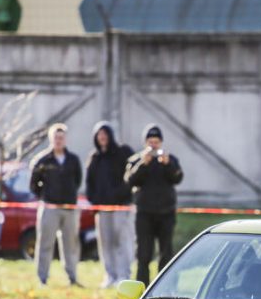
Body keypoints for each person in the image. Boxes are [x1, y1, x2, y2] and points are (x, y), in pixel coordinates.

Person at [124, 124, 183, 285]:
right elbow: (130, 181)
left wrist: (168, 164)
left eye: (156, 142)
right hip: (145, 214)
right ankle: (141, 286)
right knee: (143, 253)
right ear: (145, 143)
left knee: (166, 252)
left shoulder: (170, 159)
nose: (153, 145)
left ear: (161, 143)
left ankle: (166, 286)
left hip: (166, 213)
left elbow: (177, 178)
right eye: (150, 142)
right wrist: (143, 164)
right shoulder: (137, 160)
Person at [30, 123, 83, 286]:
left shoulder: (73, 160)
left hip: (69, 208)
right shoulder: (42, 160)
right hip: (49, 208)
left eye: (61, 137)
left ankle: (72, 278)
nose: (58, 140)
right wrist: (46, 197)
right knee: (45, 244)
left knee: (71, 245)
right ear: (51, 139)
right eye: (56, 138)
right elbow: (33, 184)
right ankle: (42, 278)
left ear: (65, 139)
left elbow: (78, 180)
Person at [85, 121, 135, 288]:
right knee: (105, 242)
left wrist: (122, 194)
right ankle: (110, 276)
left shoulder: (123, 153)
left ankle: (124, 275)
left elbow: (132, 177)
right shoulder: (95, 158)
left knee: (122, 241)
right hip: (102, 209)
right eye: (99, 136)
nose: (103, 138)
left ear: (110, 136)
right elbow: (89, 183)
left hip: (121, 206)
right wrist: (94, 200)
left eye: (105, 135)